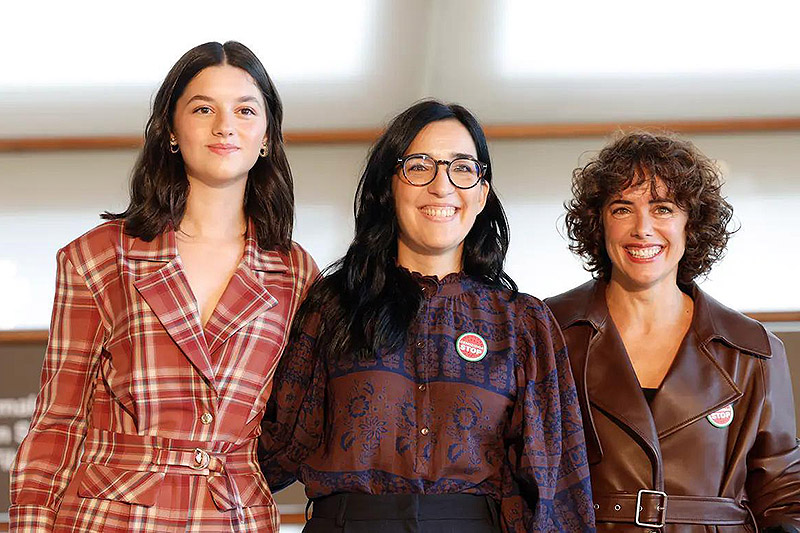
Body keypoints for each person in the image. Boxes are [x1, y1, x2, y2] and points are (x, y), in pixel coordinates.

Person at [10, 41, 317, 532]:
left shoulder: (297, 272)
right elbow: (57, 422)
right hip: (111, 515)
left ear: (267, 137)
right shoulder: (100, 255)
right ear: (171, 131)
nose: (225, 125)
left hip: (233, 516)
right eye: (203, 108)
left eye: (244, 109)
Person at [259, 100, 595, 532]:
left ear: (482, 193)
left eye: (462, 168)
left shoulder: (522, 323)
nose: (442, 186)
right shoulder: (332, 306)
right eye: (420, 166)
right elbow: (276, 446)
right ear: (389, 185)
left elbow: (556, 486)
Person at [546, 131, 800, 532]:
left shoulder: (753, 351)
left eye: (663, 208)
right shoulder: (546, 332)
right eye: (622, 209)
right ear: (599, 222)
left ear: (691, 223)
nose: (642, 228)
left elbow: (782, 492)